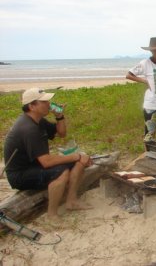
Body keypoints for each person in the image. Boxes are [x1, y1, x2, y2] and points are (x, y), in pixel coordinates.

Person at [4, 88, 92, 221]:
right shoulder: (29, 128)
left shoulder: (38, 120)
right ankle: (52, 214)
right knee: (61, 171)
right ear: (32, 106)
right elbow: (46, 162)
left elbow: (61, 133)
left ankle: (72, 201)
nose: (49, 104)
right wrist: (76, 156)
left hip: (36, 164)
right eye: (44, 102)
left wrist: (59, 116)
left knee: (80, 162)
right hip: (20, 174)